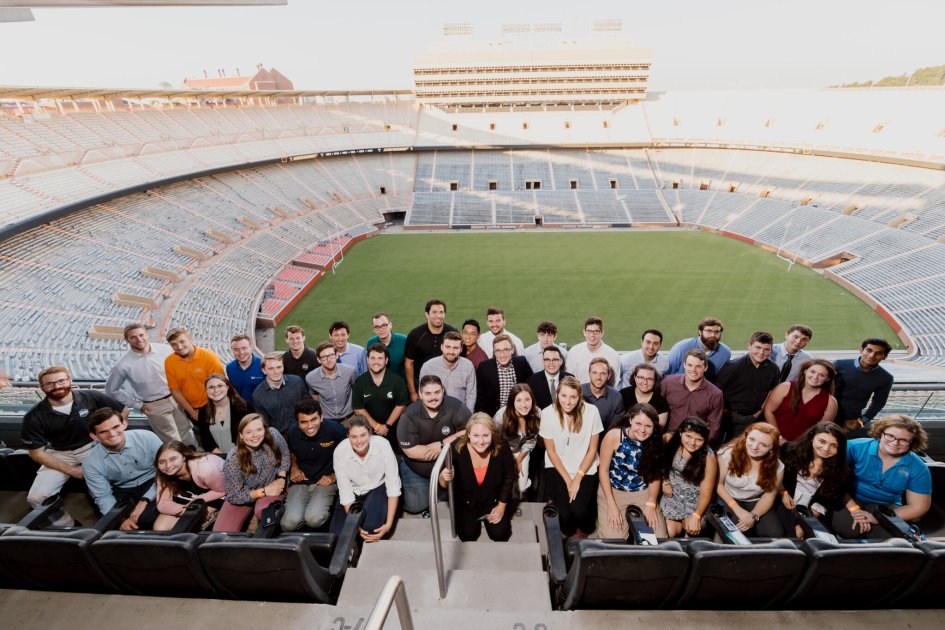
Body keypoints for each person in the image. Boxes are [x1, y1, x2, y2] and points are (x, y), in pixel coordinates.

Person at [21, 366, 127, 526]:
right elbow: (36, 453)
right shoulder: (34, 416)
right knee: (37, 497)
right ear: (41, 387)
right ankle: (68, 527)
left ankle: (119, 520)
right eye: (49, 384)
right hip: (59, 453)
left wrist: (107, 436)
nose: (57, 386)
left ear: (70, 380)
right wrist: (72, 471)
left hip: (94, 446)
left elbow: (122, 411)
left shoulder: (92, 396)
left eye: (61, 380)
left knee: (116, 481)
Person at [831, 415, 932, 539]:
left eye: (903, 440)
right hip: (849, 498)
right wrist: (854, 509)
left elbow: (918, 507)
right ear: (880, 433)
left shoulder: (918, 467)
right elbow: (832, 479)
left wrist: (877, 518)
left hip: (887, 505)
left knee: (889, 538)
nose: (895, 443)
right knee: (850, 529)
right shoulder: (854, 447)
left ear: (912, 443)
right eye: (890, 436)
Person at [106, 322, 195, 445]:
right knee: (172, 440)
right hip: (154, 405)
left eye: (141, 335)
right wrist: (137, 405)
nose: (139, 339)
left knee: (187, 432)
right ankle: (181, 463)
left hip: (176, 398)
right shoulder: (122, 365)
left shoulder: (165, 350)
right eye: (133, 337)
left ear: (147, 335)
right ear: (126, 340)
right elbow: (111, 390)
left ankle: (195, 458)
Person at [397, 375, 471, 514]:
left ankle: (439, 494)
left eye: (437, 392)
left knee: (449, 503)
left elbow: (470, 432)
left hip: (448, 467)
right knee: (415, 507)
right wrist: (452, 440)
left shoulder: (456, 406)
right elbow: (412, 451)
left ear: (443, 390)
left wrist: (442, 444)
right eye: (428, 394)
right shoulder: (409, 414)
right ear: (420, 394)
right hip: (416, 469)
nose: (433, 398)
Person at [540, 376, 604, 538]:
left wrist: (577, 479)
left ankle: (590, 510)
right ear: (557, 394)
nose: (568, 402)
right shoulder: (547, 413)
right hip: (558, 467)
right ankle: (557, 500)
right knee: (565, 517)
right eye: (563, 396)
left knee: (580, 513)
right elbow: (551, 452)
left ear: (579, 396)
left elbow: (592, 449)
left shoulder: (591, 412)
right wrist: (569, 481)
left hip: (585, 468)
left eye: (573, 397)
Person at [439, 413, 516, 542]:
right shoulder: (456, 449)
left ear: (492, 434)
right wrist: (443, 477)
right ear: (468, 434)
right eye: (476, 435)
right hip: (466, 502)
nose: (481, 442)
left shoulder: (502, 447)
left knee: (500, 534)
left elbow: (509, 477)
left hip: (493, 500)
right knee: (468, 534)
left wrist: (501, 506)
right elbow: (443, 485)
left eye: (486, 435)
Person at [596, 403, 668, 539]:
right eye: (638, 424)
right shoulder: (614, 436)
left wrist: (651, 503)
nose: (642, 430)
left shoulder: (656, 441)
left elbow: (655, 474)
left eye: (648, 426)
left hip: (643, 492)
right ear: (630, 420)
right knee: (614, 541)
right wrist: (611, 504)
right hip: (614, 490)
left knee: (656, 539)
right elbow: (603, 470)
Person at [83, 408, 162, 530]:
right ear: (94, 436)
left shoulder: (148, 438)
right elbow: (103, 496)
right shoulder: (90, 462)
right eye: (104, 431)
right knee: (108, 523)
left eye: (115, 427)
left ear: (124, 424)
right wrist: (120, 521)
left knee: (145, 519)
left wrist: (145, 500)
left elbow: (165, 474)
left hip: (155, 481)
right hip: (123, 489)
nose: (112, 434)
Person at [331, 417, 401, 542]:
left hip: (378, 487)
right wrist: (355, 526)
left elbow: (393, 487)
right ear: (348, 436)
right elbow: (346, 494)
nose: (358, 441)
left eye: (363, 435)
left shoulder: (383, 445)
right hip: (354, 491)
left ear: (370, 432)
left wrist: (389, 525)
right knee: (337, 535)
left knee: (371, 528)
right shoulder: (340, 452)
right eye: (353, 437)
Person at [215, 414, 290, 532]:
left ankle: (255, 522)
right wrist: (263, 491)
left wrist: (281, 477)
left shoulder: (273, 435)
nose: (255, 435)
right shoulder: (234, 458)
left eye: (259, 430)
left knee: (262, 511)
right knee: (221, 533)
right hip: (247, 493)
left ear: (264, 430)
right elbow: (234, 495)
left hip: (273, 484)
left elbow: (284, 454)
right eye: (249, 432)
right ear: (241, 435)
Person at [282, 399, 347, 531]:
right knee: (288, 523)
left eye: (314, 420)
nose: (310, 426)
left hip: (325, 481)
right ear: (298, 423)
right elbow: (291, 452)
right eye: (304, 422)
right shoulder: (293, 432)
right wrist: (294, 468)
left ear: (321, 417)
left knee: (313, 519)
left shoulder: (336, 430)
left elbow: (349, 457)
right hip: (301, 481)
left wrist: (334, 477)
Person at [777, 422, 848, 538]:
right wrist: (783, 492)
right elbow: (774, 477)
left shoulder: (841, 471)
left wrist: (804, 525)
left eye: (834, 445)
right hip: (784, 502)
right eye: (822, 441)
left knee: (823, 541)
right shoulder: (789, 451)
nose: (826, 449)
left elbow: (824, 502)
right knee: (785, 534)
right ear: (811, 437)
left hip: (813, 511)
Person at [715, 422, 784, 537]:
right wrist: (738, 510)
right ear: (746, 437)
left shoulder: (778, 467)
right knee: (738, 530)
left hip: (755, 500)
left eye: (763, 445)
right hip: (729, 497)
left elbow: (769, 496)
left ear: (771, 449)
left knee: (775, 533)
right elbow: (718, 485)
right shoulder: (727, 453)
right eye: (752, 439)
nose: (755, 446)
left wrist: (754, 515)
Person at [660, 417, 718, 538]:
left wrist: (696, 516)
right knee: (668, 533)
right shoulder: (668, 439)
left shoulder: (709, 457)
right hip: (672, 498)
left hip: (695, 503)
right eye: (688, 436)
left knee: (691, 533)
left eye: (699, 440)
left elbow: (706, 494)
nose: (692, 443)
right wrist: (665, 481)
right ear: (681, 432)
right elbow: (659, 462)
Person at [716, 331, 780, 439]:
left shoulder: (774, 369)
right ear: (749, 346)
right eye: (758, 347)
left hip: (754, 419)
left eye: (766, 349)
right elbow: (717, 392)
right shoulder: (733, 366)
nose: (761, 352)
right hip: (729, 419)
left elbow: (771, 393)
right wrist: (731, 415)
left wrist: (757, 414)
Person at [153, 441, 226, 531]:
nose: (167, 465)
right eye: (161, 462)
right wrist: (183, 510)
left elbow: (221, 491)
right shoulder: (163, 474)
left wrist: (193, 507)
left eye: (173, 459)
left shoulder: (204, 468)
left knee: (192, 523)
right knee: (160, 527)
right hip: (191, 499)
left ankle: (215, 514)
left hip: (219, 495)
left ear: (184, 457)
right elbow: (162, 504)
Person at [763, 359, 838, 442]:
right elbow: (768, 411)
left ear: (828, 379)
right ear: (805, 371)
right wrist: (779, 437)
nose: (815, 377)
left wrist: (801, 446)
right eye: (812, 372)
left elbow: (821, 430)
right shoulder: (785, 387)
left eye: (822, 375)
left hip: (801, 446)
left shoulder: (831, 402)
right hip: (771, 438)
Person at [352, 343, 409, 452]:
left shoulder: (397, 381)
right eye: (372, 358)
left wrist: (387, 426)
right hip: (368, 431)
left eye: (380, 358)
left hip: (394, 431)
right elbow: (358, 409)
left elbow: (401, 406)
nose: (376, 362)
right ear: (367, 360)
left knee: (395, 458)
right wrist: (378, 427)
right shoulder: (360, 382)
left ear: (386, 361)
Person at [164, 327, 225, 425]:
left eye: (182, 341)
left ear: (190, 338)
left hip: (214, 406)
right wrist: (192, 412)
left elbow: (221, 386)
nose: (179, 347)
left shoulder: (209, 356)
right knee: (204, 437)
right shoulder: (169, 362)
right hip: (193, 410)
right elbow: (175, 390)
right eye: (174, 344)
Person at [661, 349, 724, 444]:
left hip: (694, 443)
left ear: (705, 367)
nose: (693, 370)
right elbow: (655, 413)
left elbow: (713, 430)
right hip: (667, 439)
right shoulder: (667, 383)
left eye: (698, 366)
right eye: (690, 365)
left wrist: (699, 446)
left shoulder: (715, 394)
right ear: (684, 365)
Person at [834, 339, 894, 431]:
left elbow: (878, 403)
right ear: (861, 350)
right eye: (869, 350)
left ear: (884, 356)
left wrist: (862, 421)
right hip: (824, 411)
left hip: (848, 420)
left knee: (836, 444)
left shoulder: (886, 378)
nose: (872, 355)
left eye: (878, 353)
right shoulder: (839, 364)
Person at [493, 383, 542, 499]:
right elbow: (494, 441)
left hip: (521, 451)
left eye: (527, 400)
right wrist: (507, 463)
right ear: (512, 402)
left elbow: (531, 441)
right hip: (501, 451)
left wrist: (518, 461)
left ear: (532, 400)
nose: (524, 405)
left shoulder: (537, 413)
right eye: (519, 400)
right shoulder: (501, 417)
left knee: (520, 488)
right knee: (502, 483)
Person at [404, 299, 457, 401]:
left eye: (441, 312)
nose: (438, 316)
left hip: (446, 383)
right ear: (427, 314)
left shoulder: (452, 333)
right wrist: (412, 392)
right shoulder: (415, 335)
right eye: (434, 312)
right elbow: (408, 364)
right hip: (422, 383)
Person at [475, 333, 533, 417]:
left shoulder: (521, 363)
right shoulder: (484, 367)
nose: (502, 355)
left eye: (505, 350)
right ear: (494, 351)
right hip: (493, 416)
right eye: (498, 351)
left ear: (512, 349)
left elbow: (531, 387)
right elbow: (479, 397)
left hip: (519, 414)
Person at [252, 352, 308, 434]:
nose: (276, 371)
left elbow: (308, 406)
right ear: (264, 371)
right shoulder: (258, 395)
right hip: (281, 437)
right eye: (271, 369)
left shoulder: (297, 381)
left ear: (283, 367)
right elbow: (264, 424)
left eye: (279, 367)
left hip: (304, 430)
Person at [419, 331, 477, 411]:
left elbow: (471, 395)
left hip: (459, 413)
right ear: (442, 347)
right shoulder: (428, 367)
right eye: (448, 347)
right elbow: (423, 394)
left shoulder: (468, 366)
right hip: (435, 413)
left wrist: (467, 416)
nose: (451, 352)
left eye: (455, 348)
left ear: (461, 349)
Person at [665, 317, 731, 382]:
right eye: (709, 331)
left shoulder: (725, 353)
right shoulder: (681, 347)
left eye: (717, 332)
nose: (713, 335)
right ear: (700, 332)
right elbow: (667, 374)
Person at [306, 341, 357, 424]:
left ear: (337, 355)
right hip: (327, 421)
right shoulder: (311, 378)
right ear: (319, 360)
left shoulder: (350, 371)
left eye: (331, 355)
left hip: (350, 418)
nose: (329, 360)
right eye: (324, 357)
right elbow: (314, 396)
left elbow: (357, 391)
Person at [197, 373, 249, 453]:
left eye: (220, 386)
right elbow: (206, 442)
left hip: (245, 453)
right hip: (219, 458)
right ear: (206, 390)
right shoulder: (203, 412)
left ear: (227, 387)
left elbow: (252, 434)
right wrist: (225, 460)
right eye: (211, 387)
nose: (216, 390)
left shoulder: (243, 407)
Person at [566, 316, 620, 387]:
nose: (592, 335)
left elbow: (614, 383)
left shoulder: (613, 356)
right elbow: (569, 379)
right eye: (589, 331)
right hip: (578, 395)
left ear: (602, 333)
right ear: (584, 332)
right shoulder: (574, 352)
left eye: (596, 331)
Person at [619, 363, 670, 429]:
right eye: (641, 377)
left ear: (655, 381)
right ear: (635, 377)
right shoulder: (622, 395)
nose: (645, 382)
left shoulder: (661, 403)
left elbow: (658, 432)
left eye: (650, 379)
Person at [582, 357, 625, 430]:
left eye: (603, 373)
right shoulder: (578, 391)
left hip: (606, 438)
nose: (598, 377)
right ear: (589, 374)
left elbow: (615, 429)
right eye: (594, 373)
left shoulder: (616, 397)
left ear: (608, 376)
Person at [525, 345, 572, 410]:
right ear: (543, 361)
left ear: (561, 361)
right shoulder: (532, 382)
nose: (551, 363)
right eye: (547, 360)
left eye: (555, 359)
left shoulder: (570, 378)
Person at [225, 333, 265, 410]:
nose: (241, 352)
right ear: (232, 350)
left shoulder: (263, 364)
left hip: (261, 411)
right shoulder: (230, 368)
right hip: (241, 410)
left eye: (244, 348)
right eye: (236, 349)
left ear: (251, 347)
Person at [365, 312, 407, 379]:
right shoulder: (370, 343)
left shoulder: (404, 341)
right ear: (373, 329)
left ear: (390, 325)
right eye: (376, 327)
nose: (381, 329)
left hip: (401, 386)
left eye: (384, 325)